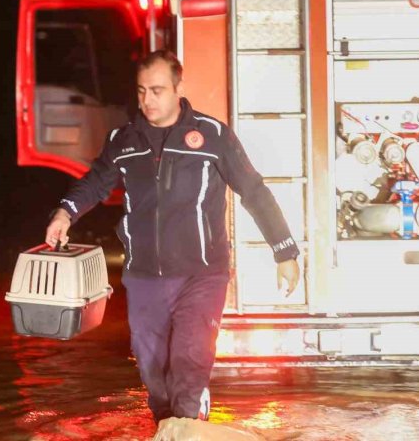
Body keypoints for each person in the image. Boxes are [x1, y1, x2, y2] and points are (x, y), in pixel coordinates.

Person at [45, 49, 300, 424]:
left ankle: (189, 417)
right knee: (152, 369)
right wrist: (65, 212)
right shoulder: (123, 139)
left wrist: (284, 251)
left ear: (179, 89)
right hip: (145, 275)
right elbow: (96, 182)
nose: (148, 100)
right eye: (141, 91)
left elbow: (253, 190)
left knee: (188, 359)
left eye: (158, 90)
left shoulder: (212, 136)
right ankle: (167, 423)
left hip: (202, 273)